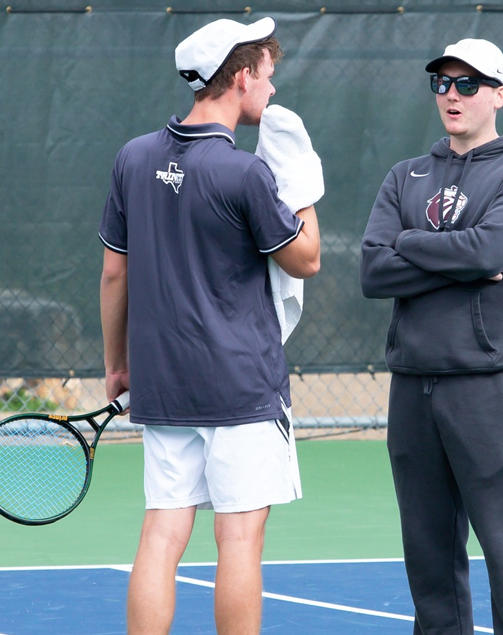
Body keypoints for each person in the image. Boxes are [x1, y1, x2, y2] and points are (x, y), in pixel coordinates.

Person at [97, 16, 322, 635]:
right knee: (240, 538)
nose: (272, 91)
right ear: (241, 77)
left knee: (163, 530)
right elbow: (307, 258)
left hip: (163, 384)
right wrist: (300, 182)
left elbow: (115, 274)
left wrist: (118, 365)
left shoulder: (134, 158)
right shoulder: (244, 173)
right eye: (268, 77)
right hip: (242, 386)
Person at [359, 38, 503, 635]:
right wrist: (456, 256)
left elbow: (491, 250)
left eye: (467, 84)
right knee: (428, 560)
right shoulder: (406, 175)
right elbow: (373, 271)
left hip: (488, 387)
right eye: (442, 84)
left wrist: (411, 245)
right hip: (414, 387)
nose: (452, 95)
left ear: (499, 94)